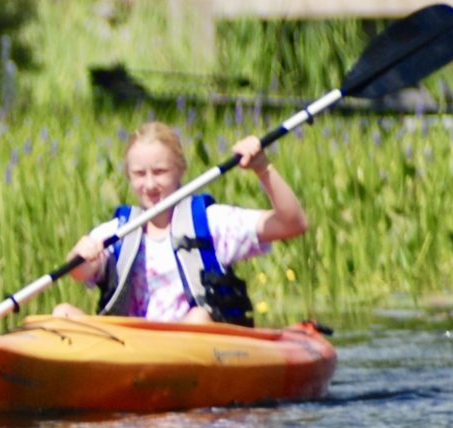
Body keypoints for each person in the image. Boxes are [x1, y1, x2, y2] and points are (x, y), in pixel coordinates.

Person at [56, 121, 309, 325]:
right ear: (129, 175)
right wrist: (79, 254)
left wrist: (262, 168)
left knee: (199, 319)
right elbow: (80, 273)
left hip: (190, 344)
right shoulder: (116, 231)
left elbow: (291, 224)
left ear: (180, 169)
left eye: (160, 172)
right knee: (62, 312)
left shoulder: (212, 223)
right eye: (139, 174)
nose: (150, 184)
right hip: (126, 345)